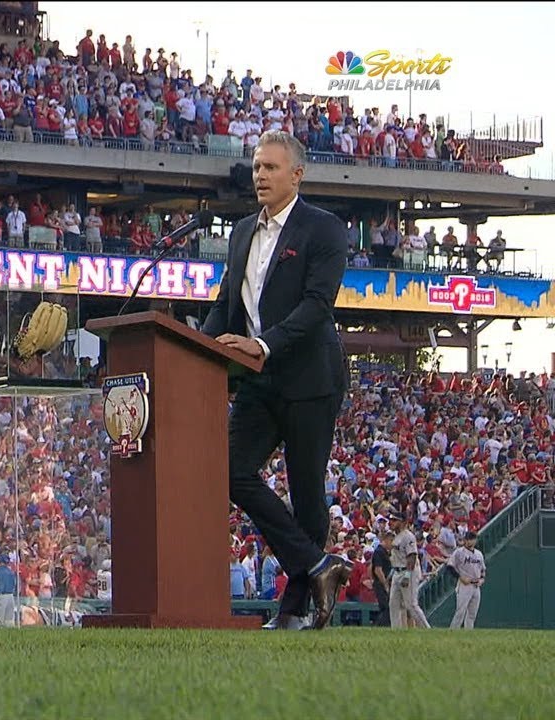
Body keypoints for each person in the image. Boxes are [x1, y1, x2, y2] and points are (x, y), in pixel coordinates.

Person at [201, 130, 352, 631]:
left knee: (307, 494)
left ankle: (292, 610)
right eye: (257, 167)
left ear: (297, 174)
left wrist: (264, 345)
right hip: (258, 383)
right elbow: (227, 306)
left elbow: (317, 305)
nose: (259, 175)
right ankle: (317, 565)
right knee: (229, 470)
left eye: (270, 167)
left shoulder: (324, 228)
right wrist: (193, 355)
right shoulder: (243, 231)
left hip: (311, 379)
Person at [388, 514, 429, 628]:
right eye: (390, 520)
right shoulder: (395, 536)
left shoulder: (408, 536)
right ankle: (395, 631)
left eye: (394, 520)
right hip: (397, 571)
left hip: (407, 571)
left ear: (402, 522)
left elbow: (412, 556)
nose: (391, 522)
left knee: (411, 604)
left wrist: (407, 575)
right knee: (393, 603)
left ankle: (427, 629)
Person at [448, 531, 486, 629]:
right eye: (468, 539)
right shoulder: (459, 552)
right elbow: (450, 566)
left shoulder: (479, 554)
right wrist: (460, 577)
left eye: (472, 539)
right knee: (460, 611)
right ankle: (452, 632)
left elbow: (483, 570)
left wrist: (482, 579)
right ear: (465, 540)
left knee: (472, 614)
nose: (470, 541)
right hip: (464, 585)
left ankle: (468, 633)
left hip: (476, 585)